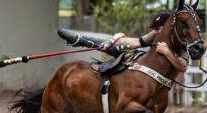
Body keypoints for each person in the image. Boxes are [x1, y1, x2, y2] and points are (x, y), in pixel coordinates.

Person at [58, 11, 188, 73]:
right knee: (118, 47)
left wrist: (167, 52)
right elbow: (136, 42)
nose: (157, 32)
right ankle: (84, 41)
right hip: (143, 59)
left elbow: (183, 67)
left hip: (158, 74)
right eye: (155, 29)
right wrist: (113, 42)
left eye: (160, 29)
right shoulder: (155, 35)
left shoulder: (180, 40)